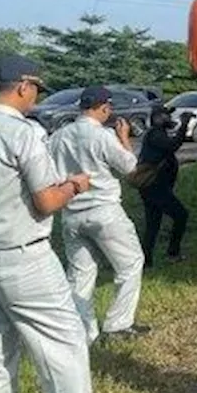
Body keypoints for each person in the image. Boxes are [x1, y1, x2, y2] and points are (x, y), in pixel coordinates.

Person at [0, 55, 131, 393]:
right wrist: (76, 185)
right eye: (35, 90)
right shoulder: (24, 132)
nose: (35, 98)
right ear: (21, 86)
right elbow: (47, 200)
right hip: (24, 256)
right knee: (63, 349)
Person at [49, 86, 148, 344]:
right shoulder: (102, 136)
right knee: (130, 263)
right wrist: (124, 137)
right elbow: (129, 167)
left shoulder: (59, 136)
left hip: (71, 213)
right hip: (104, 212)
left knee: (80, 274)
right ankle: (118, 323)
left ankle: (84, 332)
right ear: (104, 108)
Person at [137, 104, 190, 267]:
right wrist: (184, 124)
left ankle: (147, 262)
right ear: (157, 118)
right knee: (181, 215)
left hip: (153, 188)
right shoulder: (155, 135)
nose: (170, 119)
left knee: (153, 224)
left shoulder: (157, 134)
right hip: (155, 188)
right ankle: (172, 253)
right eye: (166, 116)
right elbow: (173, 145)